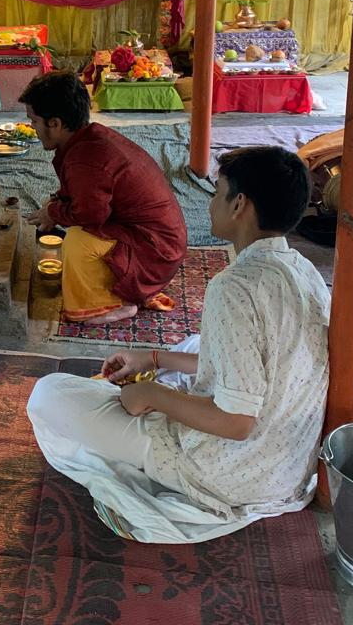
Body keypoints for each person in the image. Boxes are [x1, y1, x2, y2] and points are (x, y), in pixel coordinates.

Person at [27, 146, 330, 544]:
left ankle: (154, 456)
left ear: (239, 204)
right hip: (284, 465)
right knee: (194, 344)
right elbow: (252, 360)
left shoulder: (235, 287)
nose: (210, 203)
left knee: (48, 393)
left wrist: (151, 393)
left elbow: (237, 423)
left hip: (226, 471)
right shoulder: (302, 270)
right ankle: (151, 392)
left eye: (217, 191)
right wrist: (149, 358)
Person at [19, 70, 186, 324]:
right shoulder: (88, 138)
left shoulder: (86, 158)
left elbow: (90, 215)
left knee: (77, 240)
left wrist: (53, 213)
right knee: (56, 209)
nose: (33, 128)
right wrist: (54, 205)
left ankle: (113, 304)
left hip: (156, 254)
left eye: (34, 121)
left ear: (55, 123)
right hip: (157, 243)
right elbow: (82, 194)